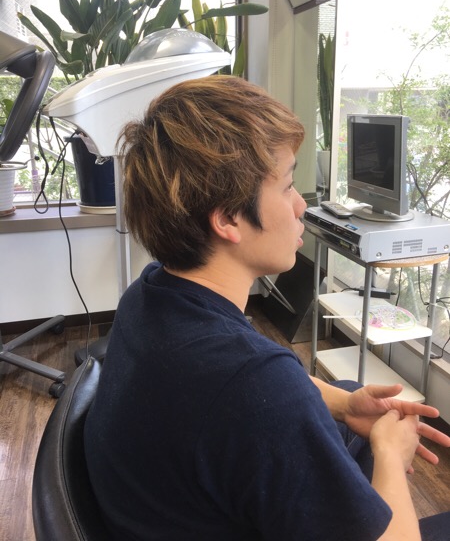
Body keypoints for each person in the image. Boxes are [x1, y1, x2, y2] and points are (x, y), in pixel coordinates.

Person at [84, 75, 450, 540]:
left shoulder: (149, 294)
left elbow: (259, 393)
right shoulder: (252, 381)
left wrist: (343, 404)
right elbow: (259, 392)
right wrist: (391, 456)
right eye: (288, 186)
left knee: (349, 391)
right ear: (227, 218)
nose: (301, 206)